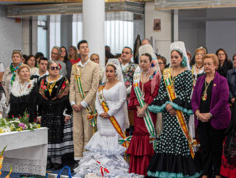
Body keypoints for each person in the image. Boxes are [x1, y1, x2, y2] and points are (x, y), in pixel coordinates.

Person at [147, 41, 201, 177]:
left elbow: (186, 92)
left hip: (181, 112)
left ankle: (180, 171)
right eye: (172, 57)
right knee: (166, 138)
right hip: (167, 111)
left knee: (179, 138)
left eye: (176, 57)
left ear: (182, 58)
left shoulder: (187, 73)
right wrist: (167, 105)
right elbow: (162, 91)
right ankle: (166, 171)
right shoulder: (166, 72)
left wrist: (175, 106)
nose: (174, 59)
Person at [73, 60, 130, 177]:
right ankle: (99, 166)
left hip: (116, 117)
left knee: (114, 141)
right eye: (107, 71)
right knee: (101, 139)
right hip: (102, 118)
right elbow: (97, 101)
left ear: (115, 73)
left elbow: (121, 101)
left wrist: (109, 113)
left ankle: (113, 167)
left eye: (111, 71)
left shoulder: (120, 85)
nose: (108, 73)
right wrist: (100, 112)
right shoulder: (102, 86)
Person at [191, 53, 231, 178]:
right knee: (205, 147)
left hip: (217, 120)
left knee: (216, 148)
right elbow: (194, 100)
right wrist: (197, 113)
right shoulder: (200, 80)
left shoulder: (222, 80)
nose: (207, 66)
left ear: (215, 66)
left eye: (210, 64)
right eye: (205, 64)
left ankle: (217, 172)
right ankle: (206, 172)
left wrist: (210, 114)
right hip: (201, 119)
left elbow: (223, 100)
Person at [127, 45, 161, 176]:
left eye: (145, 61)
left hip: (149, 111)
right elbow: (133, 94)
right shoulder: (136, 76)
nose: (142, 63)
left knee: (148, 136)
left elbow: (155, 94)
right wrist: (138, 108)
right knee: (138, 134)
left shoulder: (155, 75)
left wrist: (144, 108)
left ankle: (149, 168)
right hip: (138, 112)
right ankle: (137, 168)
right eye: (140, 61)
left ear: (150, 62)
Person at [37, 61, 74, 170]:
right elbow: (39, 97)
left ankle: (57, 160)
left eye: (57, 68)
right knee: (47, 135)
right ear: (48, 69)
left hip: (59, 110)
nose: (55, 70)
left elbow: (67, 96)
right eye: (52, 68)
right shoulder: (42, 80)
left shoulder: (63, 80)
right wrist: (39, 114)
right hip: (46, 111)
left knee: (57, 135)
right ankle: (48, 159)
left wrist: (67, 112)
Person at [70, 40, 102, 162]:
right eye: (82, 47)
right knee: (77, 132)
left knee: (88, 131)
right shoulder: (75, 67)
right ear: (78, 50)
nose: (85, 49)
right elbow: (72, 86)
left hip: (89, 102)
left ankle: (88, 159)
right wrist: (73, 103)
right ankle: (78, 158)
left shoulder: (95, 66)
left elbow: (95, 87)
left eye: (86, 47)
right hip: (76, 103)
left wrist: (83, 103)